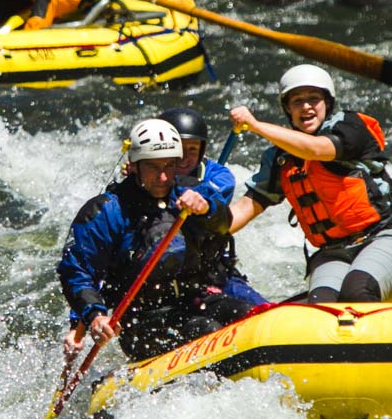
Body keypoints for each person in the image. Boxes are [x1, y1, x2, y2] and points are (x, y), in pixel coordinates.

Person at [59, 119, 256, 364]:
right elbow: (76, 271)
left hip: (197, 299)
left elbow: (224, 223)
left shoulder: (192, 192)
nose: (163, 177)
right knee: (206, 329)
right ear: (134, 166)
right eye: (153, 167)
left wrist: (207, 209)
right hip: (142, 320)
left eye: (169, 166)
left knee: (247, 315)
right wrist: (95, 316)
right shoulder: (105, 211)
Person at [227, 65, 392, 303]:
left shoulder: (351, 127)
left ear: (327, 103)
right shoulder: (280, 158)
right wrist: (204, 219)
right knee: (321, 307)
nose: (306, 106)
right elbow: (246, 207)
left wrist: (255, 126)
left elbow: (317, 149)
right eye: (297, 101)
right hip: (332, 253)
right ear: (288, 108)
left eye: (313, 99)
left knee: (357, 292)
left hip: (384, 238)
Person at [158, 106, 266, 308]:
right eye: (178, 148)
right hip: (165, 279)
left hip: (213, 274)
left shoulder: (219, 175)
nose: (184, 157)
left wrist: (196, 200)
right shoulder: (149, 175)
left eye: (192, 149)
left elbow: (210, 196)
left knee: (263, 309)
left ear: (201, 152)